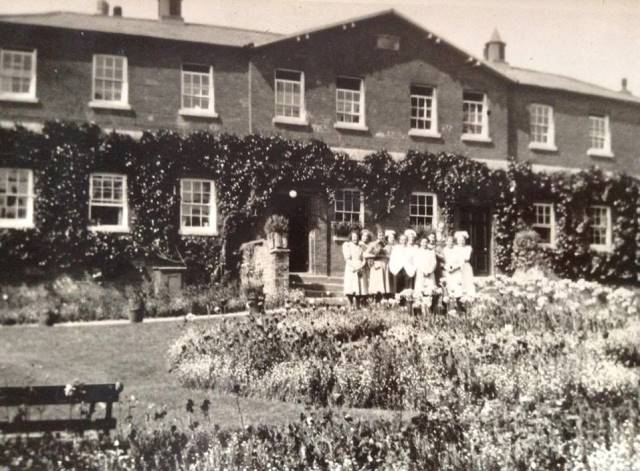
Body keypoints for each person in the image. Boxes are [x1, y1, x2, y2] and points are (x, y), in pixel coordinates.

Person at [342, 230, 367, 308]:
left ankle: (357, 305)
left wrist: (361, 266)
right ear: (350, 237)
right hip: (351, 268)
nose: (355, 238)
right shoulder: (347, 245)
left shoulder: (361, 247)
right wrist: (354, 267)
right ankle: (350, 305)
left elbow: (364, 259)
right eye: (353, 237)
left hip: (360, 268)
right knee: (350, 286)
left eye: (356, 237)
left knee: (359, 287)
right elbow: (347, 259)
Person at [365, 229, 390, 302]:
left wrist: (385, 255)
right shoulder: (373, 244)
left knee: (384, 283)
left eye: (382, 235)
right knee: (376, 283)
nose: (381, 237)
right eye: (379, 235)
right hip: (376, 264)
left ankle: (383, 300)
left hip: (384, 264)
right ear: (377, 236)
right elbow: (365, 254)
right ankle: (374, 299)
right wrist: (374, 255)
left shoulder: (387, 244)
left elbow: (389, 255)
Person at [414, 237, 437, 315]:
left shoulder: (431, 252)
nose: (424, 243)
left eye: (426, 242)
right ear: (420, 243)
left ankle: (430, 309)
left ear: (428, 243)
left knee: (430, 290)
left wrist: (429, 271)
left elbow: (434, 262)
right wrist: (423, 271)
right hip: (421, 274)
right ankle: (420, 310)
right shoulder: (417, 252)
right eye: (423, 242)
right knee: (420, 290)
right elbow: (416, 263)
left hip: (430, 274)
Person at [454, 231, 476, 299]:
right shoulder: (455, 248)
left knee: (467, 282)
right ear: (457, 241)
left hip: (466, 267)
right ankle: (458, 298)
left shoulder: (468, 248)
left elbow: (467, 257)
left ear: (465, 241)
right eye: (460, 240)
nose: (461, 242)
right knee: (458, 282)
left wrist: (460, 260)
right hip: (457, 267)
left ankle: (469, 298)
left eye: (463, 240)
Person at [385, 230, 397, 295]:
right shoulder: (385, 247)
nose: (392, 239)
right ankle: (389, 295)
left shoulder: (396, 247)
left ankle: (395, 294)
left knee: (395, 280)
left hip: (395, 265)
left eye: (393, 238)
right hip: (388, 265)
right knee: (389, 280)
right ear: (387, 239)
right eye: (390, 238)